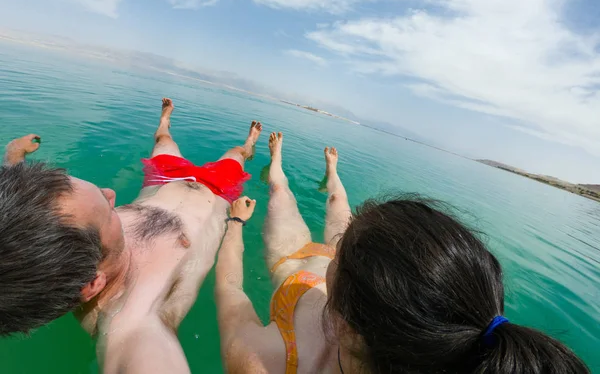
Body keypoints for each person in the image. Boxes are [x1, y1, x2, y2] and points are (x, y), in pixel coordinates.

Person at [215, 133, 590, 373]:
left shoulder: (264, 363)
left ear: (344, 327)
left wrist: (236, 222)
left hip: (294, 262)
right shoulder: (429, 344)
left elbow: (231, 290)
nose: (337, 248)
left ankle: (277, 161)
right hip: (371, 274)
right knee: (338, 202)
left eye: (340, 252)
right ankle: (333, 172)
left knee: (281, 193)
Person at [0, 98, 262, 374]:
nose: (111, 194)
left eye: (100, 193)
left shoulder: (54, 233)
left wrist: (14, 160)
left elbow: (20, 217)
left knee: (163, 138)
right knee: (236, 153)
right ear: (93, 282)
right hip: (218, 192)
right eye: (110, 211)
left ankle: (164, 121)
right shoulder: (131, 323)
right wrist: (236, 222)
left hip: (163, 178)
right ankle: (249, 145)